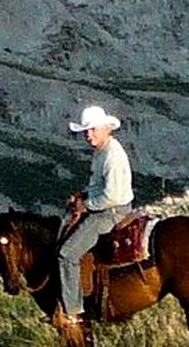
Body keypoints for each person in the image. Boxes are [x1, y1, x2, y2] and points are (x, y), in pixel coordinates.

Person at [57, 104, 134, 322]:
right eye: (86, 131)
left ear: (106, 128)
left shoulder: (112, 155)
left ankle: (73, 311)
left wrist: (87, 204)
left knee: (68, 253)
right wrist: (82, 196)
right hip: (105, 206)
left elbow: (112, 196)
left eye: (92, 130)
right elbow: (98, 185)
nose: (88, 135)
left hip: (111, 212)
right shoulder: (102, 151)